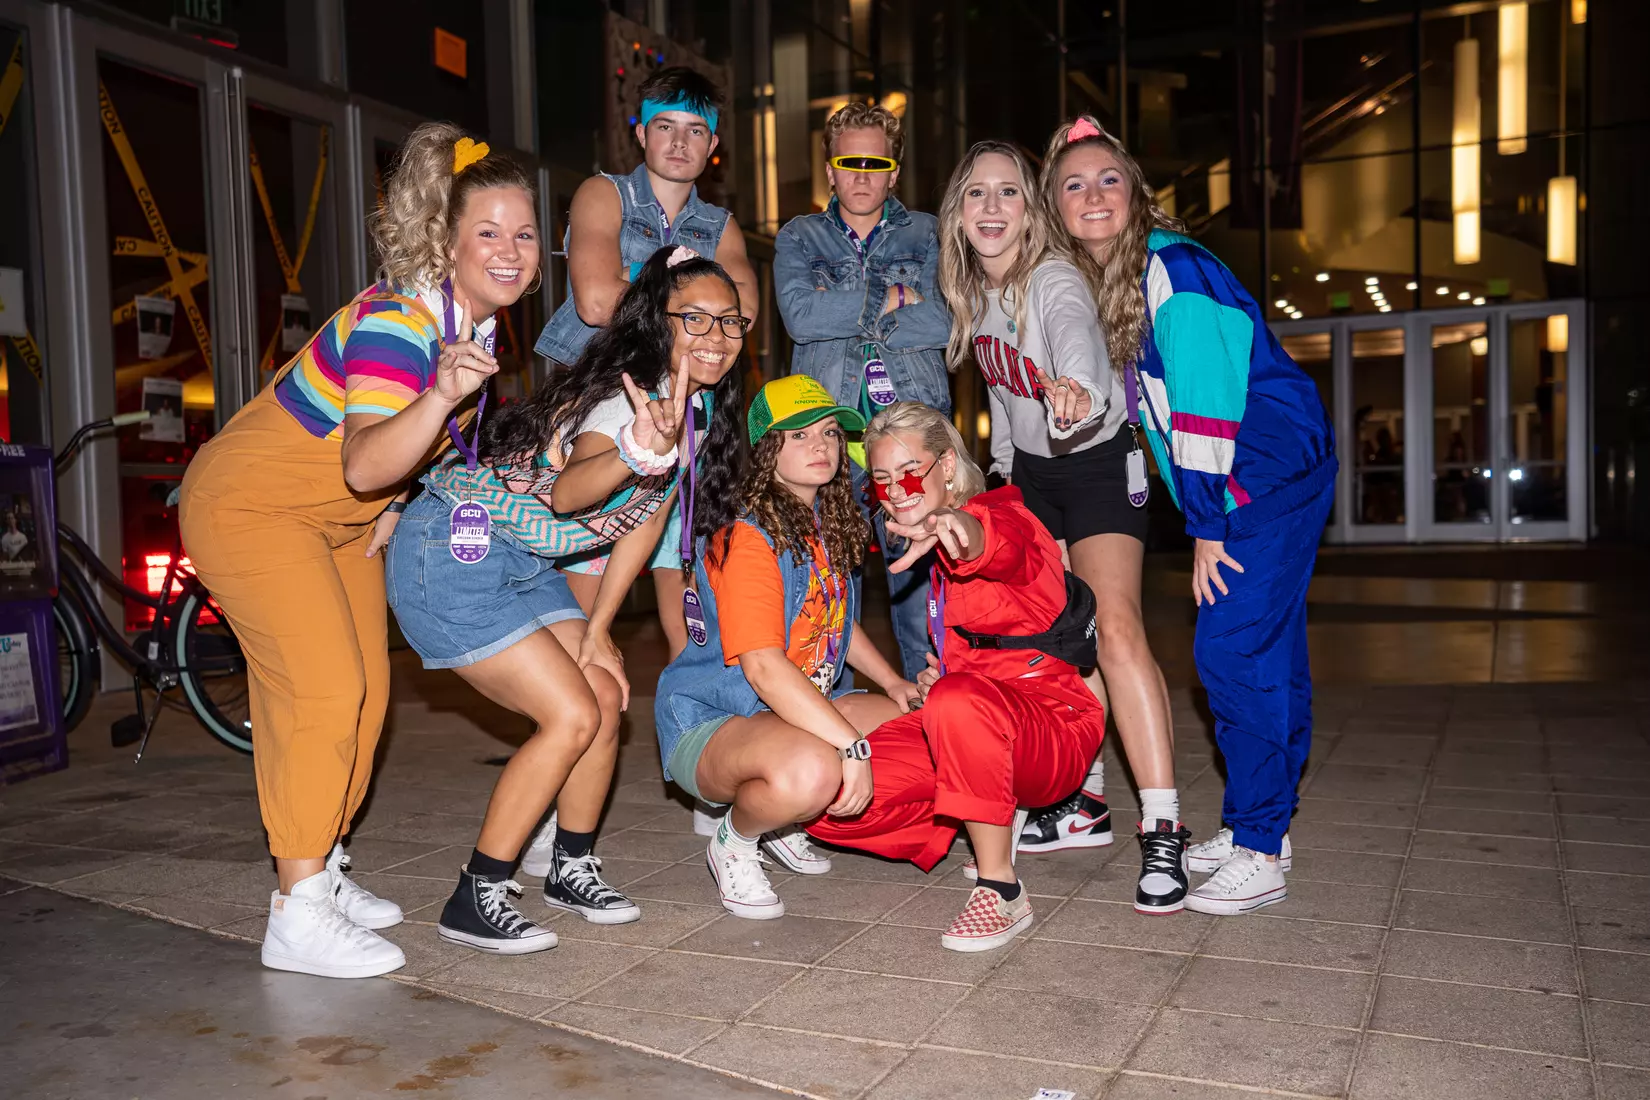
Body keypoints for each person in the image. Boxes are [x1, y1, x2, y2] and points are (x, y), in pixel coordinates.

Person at [179, 124, 528, 977]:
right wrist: (429, 414)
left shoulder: (474, 328)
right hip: (251, 507)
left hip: (337, 520)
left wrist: (402, 496)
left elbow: (392, 466)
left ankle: (322, 863)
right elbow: (368, 455)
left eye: (524, 233)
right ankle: (296, 915)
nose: (511, 251)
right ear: (445, 239)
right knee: (324, 690)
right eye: (488, 232)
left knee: (367, 697)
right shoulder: (399, 323)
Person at [384, 247, 746, 953]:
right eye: (694, 318)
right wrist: (638, 452)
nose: (715, 335)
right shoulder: (629, 400)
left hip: (521, 560)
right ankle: (477, 892)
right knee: (571, 712)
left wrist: (599, 628)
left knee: (605, 691)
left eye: (729, 322)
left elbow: (641, 523)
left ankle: (569, 864)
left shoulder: (685, 409)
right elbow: (569, 492)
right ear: (656, 325)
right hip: (453, 551)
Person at [1043, 116, 1336, 915]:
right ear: (1057, 209)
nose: (1093, 194)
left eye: (1108, 178)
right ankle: (1262, 827)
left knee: (1233, 655)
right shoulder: (1126, 283)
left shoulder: (1173, 267)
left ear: (1137, 193)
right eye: (1074, 184)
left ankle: (1259, 848)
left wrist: (1208, 522)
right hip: (1267, 477)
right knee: (1269, 652)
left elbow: (1206, 407)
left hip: (1260, 479)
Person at [937, 140, 1187, 914]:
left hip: (1100, 463)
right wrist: (1009, 477)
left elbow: (1074, 343)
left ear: (1030, 210)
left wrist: (1075, 386)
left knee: (1113, 628)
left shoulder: (1051, 279)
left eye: (1008, 193)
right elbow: (1008, 404)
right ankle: (1081, 801)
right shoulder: (977, 298)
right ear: (958, 213)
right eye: (976, 194)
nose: (991, 208)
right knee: (1051, 641)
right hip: (1037, 478)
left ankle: (1165, 826)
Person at [806, 402, 1106, 950]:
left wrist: (955, 527)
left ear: (946, 465)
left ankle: (1001, 888)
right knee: (818, 791)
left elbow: (988, 544)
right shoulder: (935, 560)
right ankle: (984, 810)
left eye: (910, 471)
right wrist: (938, 682)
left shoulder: (1004, 515)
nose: (896, 490)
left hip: (1054, 731)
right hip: (983, 723)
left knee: (957, 699)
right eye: (881, 479)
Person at [652, 375, 919, 919]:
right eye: (797, 436)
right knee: (816, 770)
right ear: (767, 449)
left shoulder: (825, 521)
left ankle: (784, 818)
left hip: (793, 711)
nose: (820, 445)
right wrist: (850, 746)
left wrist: (893, 683)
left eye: (827, 432)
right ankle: (737, 837)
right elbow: (764, 668)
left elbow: (834, 621)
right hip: (716, 720)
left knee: (914, 725)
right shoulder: (747, 537)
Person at [535, 66, 759, 663]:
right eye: (665, 126)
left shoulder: (721, 225)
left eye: (695, 130)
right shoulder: (604, 194)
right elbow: (593, 299)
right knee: (584, 565)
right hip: (600, 407)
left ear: (714, 148)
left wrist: (640, 283)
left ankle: (695, 722)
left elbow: (745, 313)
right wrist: (693, 302)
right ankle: (577, 697)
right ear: (640, 134)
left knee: (681, 572)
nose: (679, 142)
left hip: (685, 409)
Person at [773, 102, 953, 684]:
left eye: (875, 162)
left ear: (894, 171)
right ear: (829, 169)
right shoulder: (800, 236)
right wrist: (892, 301)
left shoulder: (930, 233)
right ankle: (841, 721)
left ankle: (928, 720)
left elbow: (950, 322)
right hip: (832, 438)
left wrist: (848, 313)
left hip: (911, 439)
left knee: (916, 591)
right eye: (848, 161)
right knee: (828, 592)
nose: (861, 175)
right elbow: (801, 318)